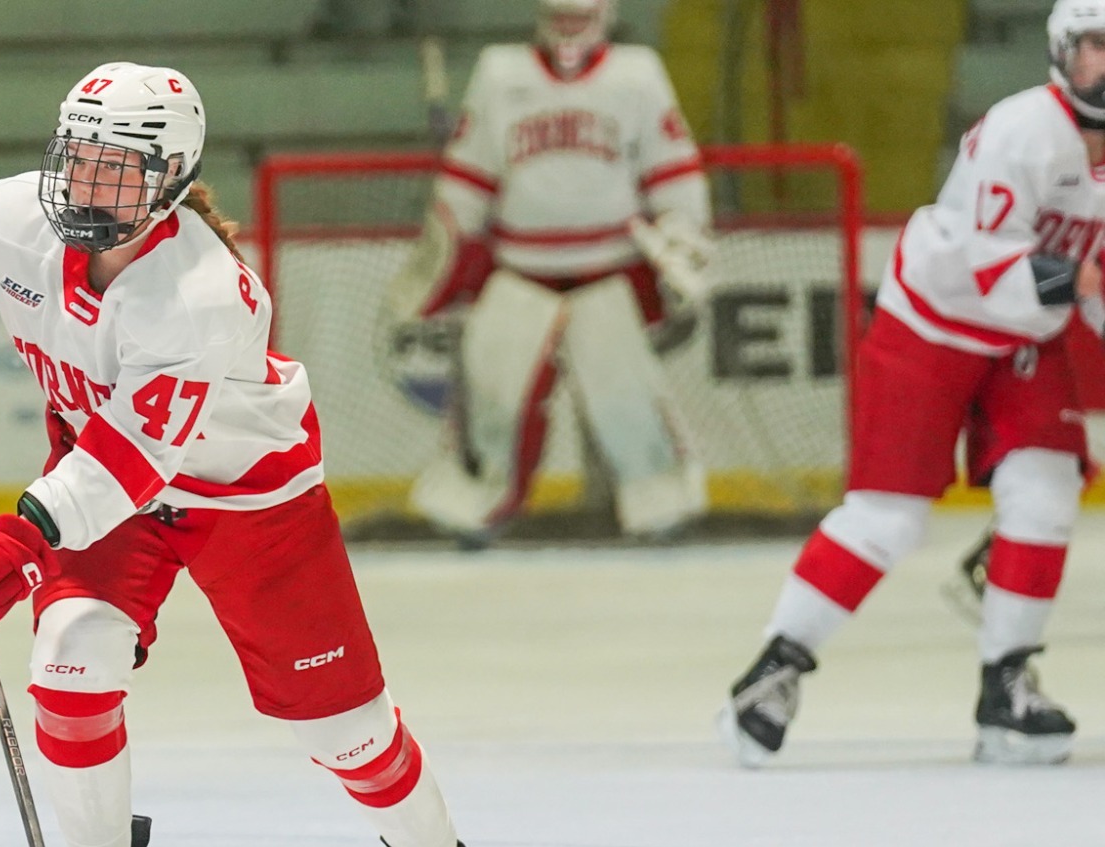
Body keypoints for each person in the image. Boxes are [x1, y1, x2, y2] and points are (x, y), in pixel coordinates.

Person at [0, 61, 557, 847]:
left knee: (347, 732)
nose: (86, 185)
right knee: (70, 663)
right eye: (78, 158)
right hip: (107, 488)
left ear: (171, 181)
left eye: (117, 169)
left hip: (248, 499)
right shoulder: (18, 216)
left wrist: (16, 549)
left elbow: (130, 459)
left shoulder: (199, 293)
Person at [719, 0, 1105, 769]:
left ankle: (1006, 686)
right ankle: (774, 667)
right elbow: (986, 261)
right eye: (1098, 45)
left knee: (1045, 489)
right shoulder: (1022, 130)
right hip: (933, 323)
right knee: (887, 518)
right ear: (1062, 52)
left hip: (1023, 335)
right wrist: (1077, 280)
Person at [384, 0, 714, 545]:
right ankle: (473, 506)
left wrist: (683, 238)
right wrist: (443, 252)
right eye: (560, 16)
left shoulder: (637, 75)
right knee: (491, 395)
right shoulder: (500, 73)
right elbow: (470, 176)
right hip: (520, 269)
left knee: (627, 399)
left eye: (578, 17)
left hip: (610, 269)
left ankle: (661, 506)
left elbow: (673, 169)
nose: (569, 29)